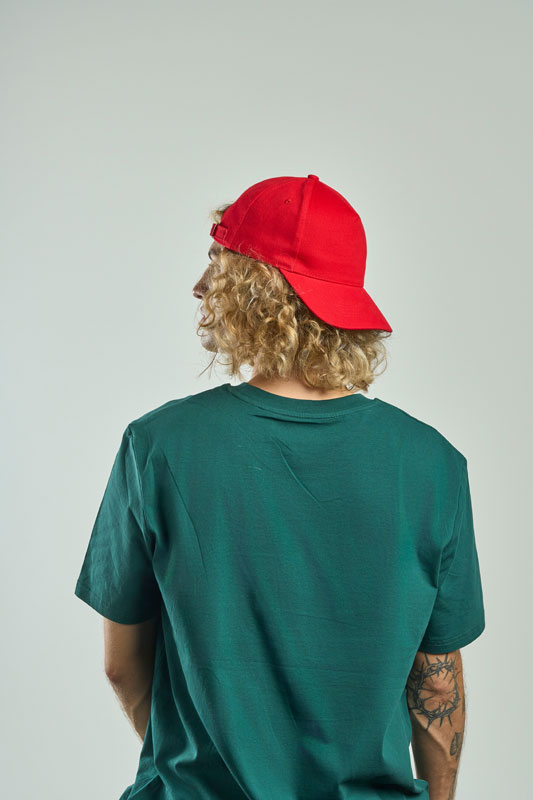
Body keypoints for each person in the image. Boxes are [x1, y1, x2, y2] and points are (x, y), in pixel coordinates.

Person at [74, 174, 485, 800]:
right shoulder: (433, 464)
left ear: (256, 289)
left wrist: (193, 765)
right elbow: (436, 685)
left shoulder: (157, 445)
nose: (199, 286)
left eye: (217, 264)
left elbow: (120, 666)